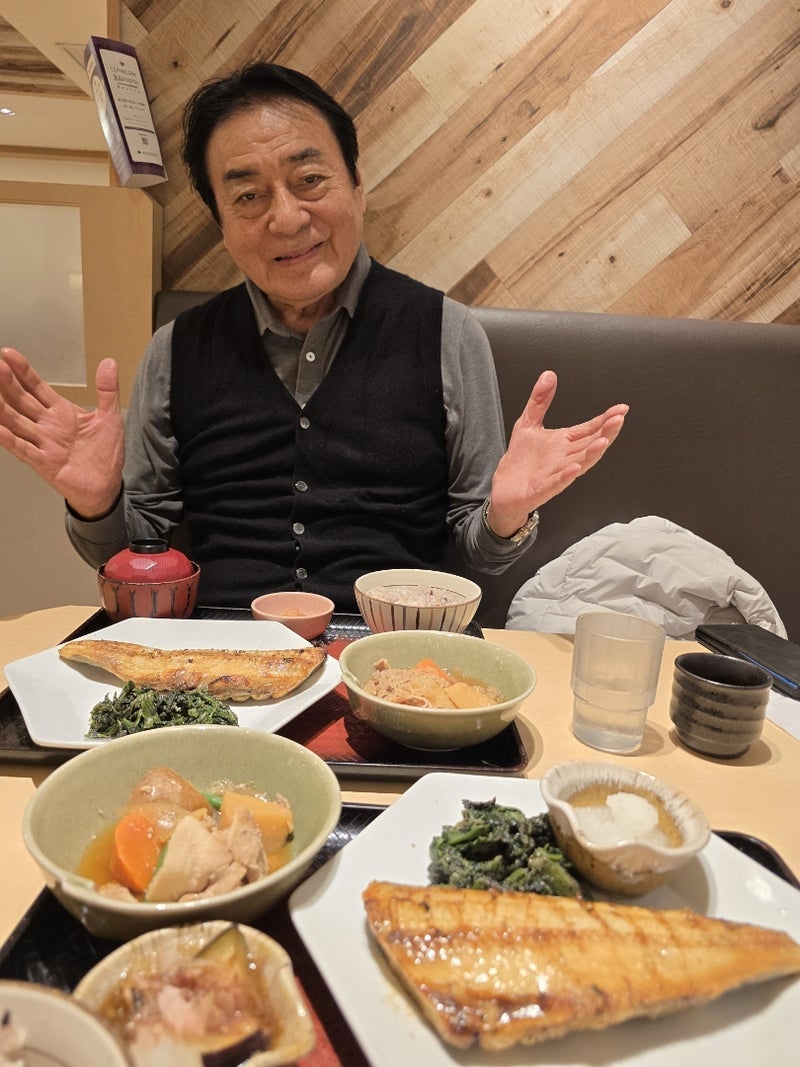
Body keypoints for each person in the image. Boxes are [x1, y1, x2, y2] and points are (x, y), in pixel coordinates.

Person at [0, 63, 627, 612]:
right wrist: (97, 503)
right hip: (217, 653)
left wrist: (506, 515)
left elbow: (476, 556)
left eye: (309, 180)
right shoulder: (174, 349)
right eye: (249, 195)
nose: (286, 218)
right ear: (221, 222)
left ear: (356, 185)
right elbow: (137, 554)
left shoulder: (448, 333)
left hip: (392, 655)